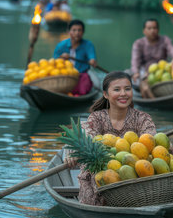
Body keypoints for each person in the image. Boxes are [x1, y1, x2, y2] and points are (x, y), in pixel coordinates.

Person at [65, 71, 157, 205]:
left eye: (127, 89)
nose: (123, 94)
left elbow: (151, 140)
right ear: (105, 94)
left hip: (133, 179)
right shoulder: (96, 118)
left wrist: (164, 146)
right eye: (117, 89)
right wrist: (72, 153)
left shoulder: (143, 119)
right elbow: (87, 140)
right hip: (101, 178)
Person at [130, 18, 173, 98]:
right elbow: (135, 60)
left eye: (154, 28)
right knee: (143, 85)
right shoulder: (138, 43)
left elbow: (172, 49)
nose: (152, 30)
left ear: (158, 30)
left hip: (161, 71)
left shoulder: (165, 40)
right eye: (149, 28)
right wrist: (136, 72)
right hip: (144, 72)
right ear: (144, 31)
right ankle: (153, 100)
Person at [53, 19, 97, 95]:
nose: (77, 33)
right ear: (69, 31)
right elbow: (53, 62)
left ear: (83, 32)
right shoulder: (60, 46)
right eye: (74, 30)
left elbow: (92, 57)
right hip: (64, 76)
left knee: (86, 86)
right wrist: (61, 58)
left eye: (79, 30)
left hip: (81, 75)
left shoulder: (88, 44)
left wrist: (92, 61)